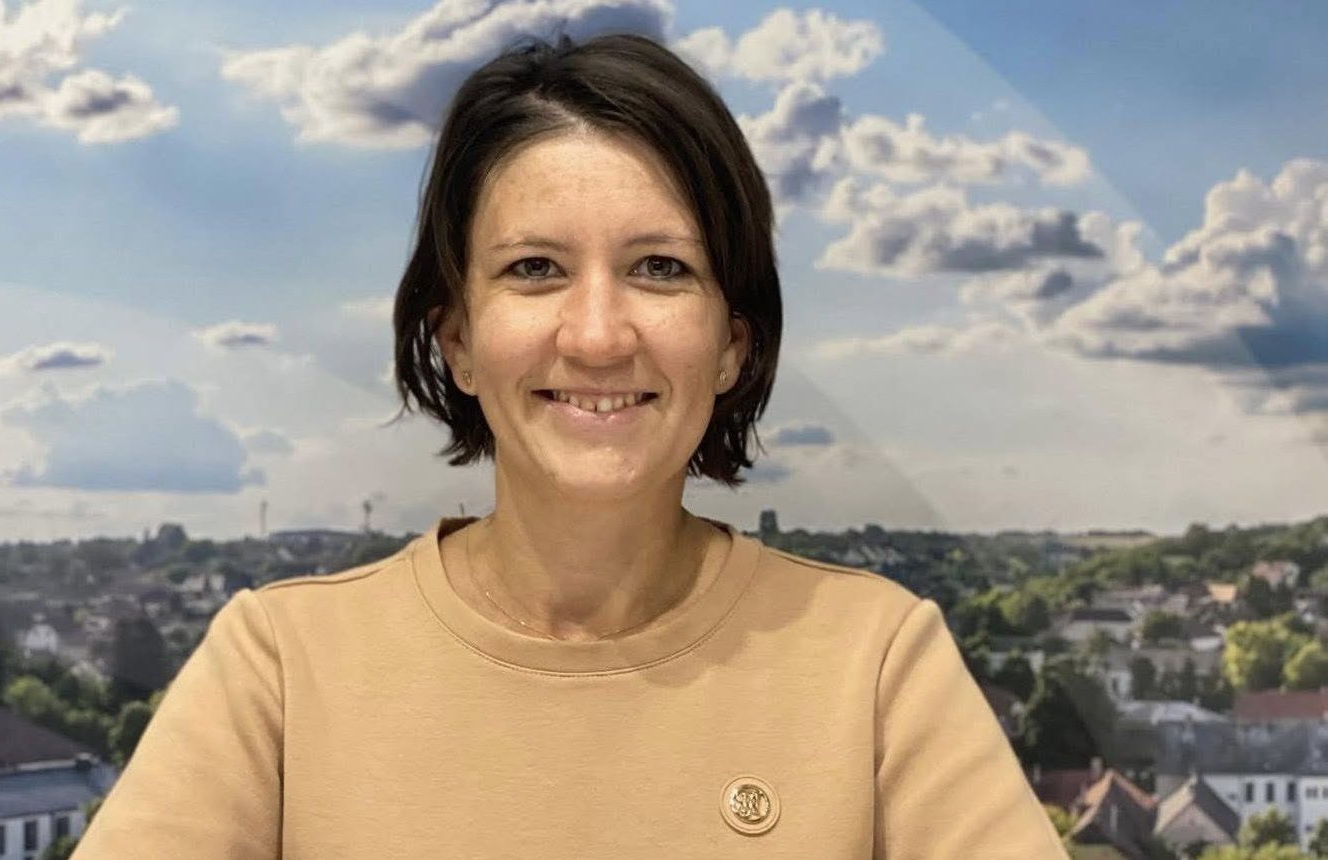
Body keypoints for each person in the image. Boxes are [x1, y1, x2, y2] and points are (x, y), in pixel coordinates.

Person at [72, 32, 1069, 858]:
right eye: (535, 268)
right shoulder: (279, 667)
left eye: (660, 267)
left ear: (733, 343)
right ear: (456, 338)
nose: (596, 336)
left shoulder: (878, 662)